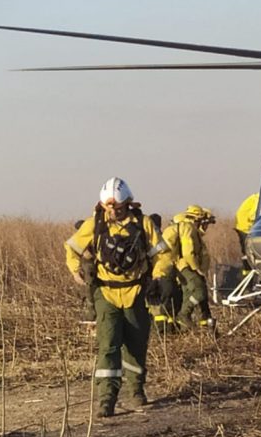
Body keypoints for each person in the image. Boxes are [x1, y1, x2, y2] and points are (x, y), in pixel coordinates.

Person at [65, 177, 173, 418]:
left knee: (136, 344)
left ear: (128, 204)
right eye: (109, 207)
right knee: (108, 345)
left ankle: (136, 391)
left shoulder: (143, 224)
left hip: (136, 292)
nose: (113, 211)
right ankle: (107, 399)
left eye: (118, 207)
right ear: (103, 205)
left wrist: (159, 277)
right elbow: (71, 247)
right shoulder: (95, 225)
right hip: (106, 293)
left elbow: (162, 254)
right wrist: (76, 271)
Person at [162, 204, 216, 330]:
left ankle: (184, 327)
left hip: (184, 267)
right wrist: (196, 268)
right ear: (197, 219)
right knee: (199, 291)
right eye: (204, 223)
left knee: (188, 295)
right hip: (186, 267)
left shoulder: (188, 228)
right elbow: (188, 252)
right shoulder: (188, 228)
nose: (205, 227)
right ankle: (183, 315)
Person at [234, 193, 259, 270]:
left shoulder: (255, 197)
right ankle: (250, 271)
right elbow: (253, 215)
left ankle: (248, 270)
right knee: (249, 252)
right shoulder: (258, 200)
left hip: (242, 226)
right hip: (245, 228)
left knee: (246, 252)